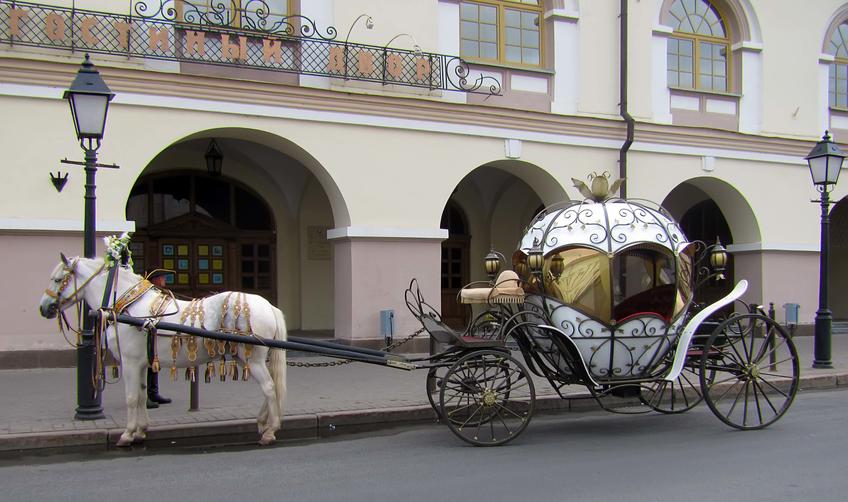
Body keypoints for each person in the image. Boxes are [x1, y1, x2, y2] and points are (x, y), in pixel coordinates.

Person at [146, 268, 172, 409]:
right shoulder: (150, 293)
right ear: (155, 279)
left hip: (157, 332)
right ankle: (146, 397)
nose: (165, 280)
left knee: (155, 364)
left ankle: (153, 393)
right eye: (163, 278)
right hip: (148, 333)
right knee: (148, 363)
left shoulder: (161, 292)